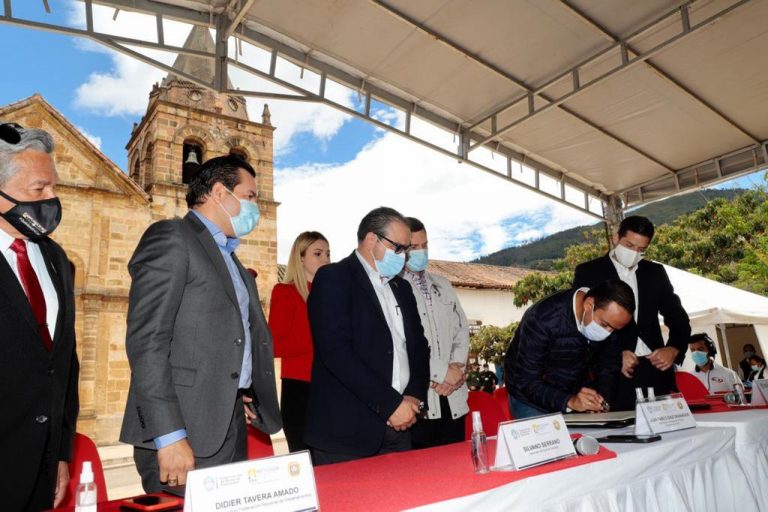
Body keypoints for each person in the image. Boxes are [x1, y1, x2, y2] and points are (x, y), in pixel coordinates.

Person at [120, 155, 281, 492]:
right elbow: (148, 340)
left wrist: (238, 386)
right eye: (250, 196)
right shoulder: (172, 237)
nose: (256, 207)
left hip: (228, 421)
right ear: (220, 193)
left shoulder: (230, 259)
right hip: (183, 432)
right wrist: (169, 435)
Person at [305, 206, 430, 464]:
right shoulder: (333, 278)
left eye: (406, 250)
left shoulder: (402, 288)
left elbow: (419, 347)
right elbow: (336, 352)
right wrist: (390, 405)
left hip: (401, 426)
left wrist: (413, 397)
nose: (403, 256)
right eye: (398, 248)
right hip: (347, 433)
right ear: (372, 239)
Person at [0, 122, 79, 511]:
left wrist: (60, 452)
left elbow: (64, 363)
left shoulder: (56, 258)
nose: (52, 199)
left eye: (53, 187)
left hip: (41, 469)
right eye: (39, 189)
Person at [573, 216, 691, 410]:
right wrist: (614, 356)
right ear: (615, 238)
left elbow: (677, 316)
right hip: (614, 373)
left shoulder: (655, 272)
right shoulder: (589, 271)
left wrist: (674, 348)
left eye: (641, 249)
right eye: (629, 245)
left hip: (656, 368)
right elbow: (582, 325)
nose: (634, 253)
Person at [503, 280, 635, 419]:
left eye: (614, 329)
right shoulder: (543, 318)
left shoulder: (610, 319)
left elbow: (608, 365)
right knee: (548, 433)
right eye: (604, 325)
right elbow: (526, 380)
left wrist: (601, 401)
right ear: (589, 304)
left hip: (573, 392)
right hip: (530, 398)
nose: (608, 333)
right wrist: (570, 401)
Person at [401, 216, 469, 448]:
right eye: (414, 247)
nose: (421, 252)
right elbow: (401, 345)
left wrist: (456, 370)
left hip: (453, 397)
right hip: (420, 400)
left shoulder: (443, 284)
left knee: (457, 463)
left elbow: (461, 331)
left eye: (425, 245)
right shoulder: (394, 287)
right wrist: (440, 373)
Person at [268, 231, 330, 453]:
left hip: (333, 387)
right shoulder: (285, 292)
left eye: (328, 254)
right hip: (300, 387)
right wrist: (322, 340)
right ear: (300, 258)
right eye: (318, 253)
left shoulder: (333, 294)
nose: (326, 259)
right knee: (306, 457)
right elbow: (274, 345)